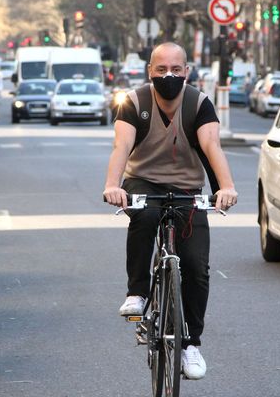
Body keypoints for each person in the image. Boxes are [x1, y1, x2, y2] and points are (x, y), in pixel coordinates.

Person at [103, 42, 238, 380]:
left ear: (186, 72)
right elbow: (122, 146)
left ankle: (191, 344)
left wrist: (227, 187)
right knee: (146, 215)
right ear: (150, 71)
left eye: (176, 69)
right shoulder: (134, 102)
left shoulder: (199, 103)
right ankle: (137, 292)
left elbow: (211, 145)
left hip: (187, 189)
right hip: (143, 183)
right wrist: (112, 185)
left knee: (196, 266)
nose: (169, 76)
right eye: (161, 69)